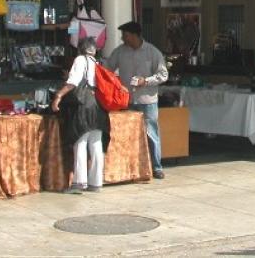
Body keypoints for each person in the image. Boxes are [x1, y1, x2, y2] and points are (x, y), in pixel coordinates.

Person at [104, 21, 169, 179]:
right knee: (128, 135)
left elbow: (163, 75)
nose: (122, 38)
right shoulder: (119, 52)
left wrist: (145, 81)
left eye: (125, 35)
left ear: (134, 35)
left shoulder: (153, 52)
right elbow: (108, 70)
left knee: (151, 133)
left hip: (147, 101)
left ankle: (157, 167)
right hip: (127, 101)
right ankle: (131, 168)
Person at [52, 37, 109, 194]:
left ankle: (79, 182)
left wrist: (58, 96)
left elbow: (73, 82)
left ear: (80, 49)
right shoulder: (98, 63)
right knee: (96, 144)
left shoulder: (80, 60)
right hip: (98, 106)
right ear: (94, 50)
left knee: (80, 142)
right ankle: (96, 183)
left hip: (83, 106)